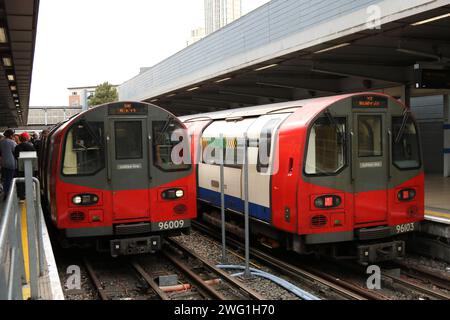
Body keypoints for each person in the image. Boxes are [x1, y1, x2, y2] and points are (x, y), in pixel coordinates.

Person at [14, 132, 36, 200]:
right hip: (30, 166)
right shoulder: (31, 146)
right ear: (27, 138)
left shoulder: (17, 146)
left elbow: (15, 156)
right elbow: (34, 156)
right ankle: (30, 194)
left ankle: (21, 195)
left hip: (20, 166)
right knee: (29, 180)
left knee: (21, 181)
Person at [0, 129, 17, 201]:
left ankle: (5, 193)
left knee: (5, 179)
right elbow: (15, 151)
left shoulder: (1, 142)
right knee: (10, 179)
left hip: (3, 163)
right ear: (11, 135)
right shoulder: (12, 142)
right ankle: (9, 195)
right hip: (12, 163)